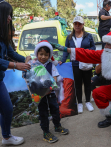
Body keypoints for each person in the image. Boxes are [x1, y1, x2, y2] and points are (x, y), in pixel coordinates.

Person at [50, 29, 111, 134]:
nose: (105, 47)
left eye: (109, 44)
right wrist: (66, 49)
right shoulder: (110, 53)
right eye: (106, 44)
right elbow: (89, 54)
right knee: (97, 93)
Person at [0, 0, 31, 145]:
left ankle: (6, 137)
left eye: (10, 15)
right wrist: (14, 65)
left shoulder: (3, 35)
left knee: (7, 108)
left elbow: (12, 53)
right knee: (6, 108)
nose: (10, 18)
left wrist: (28, 59)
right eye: (8, 15)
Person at [31, 40, 69, 143]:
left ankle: (57, 126)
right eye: (41, 54)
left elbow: (55, 77)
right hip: (40, 95)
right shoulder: (33, 65)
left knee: (55, 109)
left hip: (51, 92)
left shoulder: (51, 65)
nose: (43, 57)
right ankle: (46, 132)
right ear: (37, 54)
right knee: (43, 112)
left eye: (46, 55)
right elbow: (30, 78)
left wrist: (52, 86)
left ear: (49, 55)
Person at [59, 16, 96, 113]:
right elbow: (66, 50)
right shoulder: (69, 37)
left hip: (86, 62)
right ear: (73, 25)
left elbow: (93, 47)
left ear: (83, 24)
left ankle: (88, 102)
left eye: (79, 23)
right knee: (78, 84)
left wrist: (85, 52)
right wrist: (62, 60)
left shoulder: (88, 36)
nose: (77, 25)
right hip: (75, 64)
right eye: (75, 23)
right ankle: (79, 103)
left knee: (88, 83)